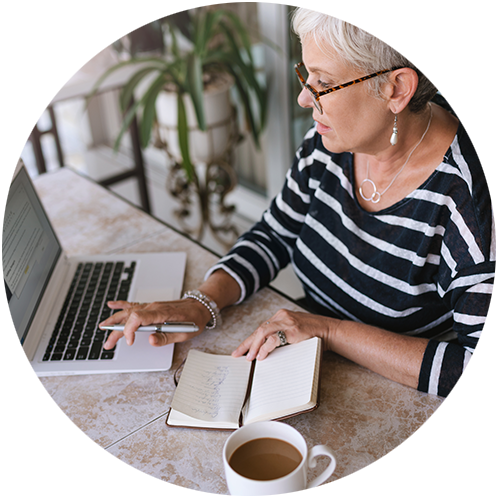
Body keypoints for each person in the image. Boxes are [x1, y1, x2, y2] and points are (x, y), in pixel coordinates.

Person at [100, 3, 495, 413]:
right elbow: (275, 233)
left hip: (398, 406)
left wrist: (325, 330)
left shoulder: (474, 202)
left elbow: (490, 379)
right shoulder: (333, 142)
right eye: (307, 75)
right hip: (303, 368)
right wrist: (202, 302)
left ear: (396, 89)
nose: (306, 98)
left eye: (323, 82)